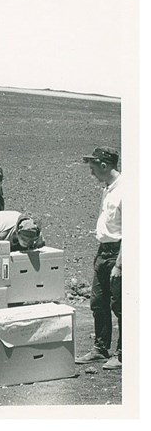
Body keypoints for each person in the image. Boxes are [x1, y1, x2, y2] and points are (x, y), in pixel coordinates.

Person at [75, 147, 122, 370]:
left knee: (120, 305)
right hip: (104, 251)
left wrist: (120, 264)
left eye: (93, 169)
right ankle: (100, 348)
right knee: (98, 302)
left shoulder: (125, 191)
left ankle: (124, 353)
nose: (92, 174)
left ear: (105, 166)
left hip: (119, 252)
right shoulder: (108, 189)